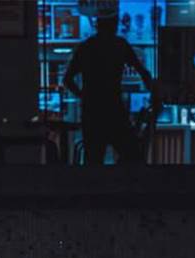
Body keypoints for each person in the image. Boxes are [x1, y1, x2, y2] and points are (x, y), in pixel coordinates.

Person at [62, 12, 153, 165]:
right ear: (114, 25)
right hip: (114, 108)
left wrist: (84, 96)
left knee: (94, 161)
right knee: (132, 156)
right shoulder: (119, 45)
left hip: (92, 111)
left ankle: (97, 188)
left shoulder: (86, 47)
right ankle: (124, 184)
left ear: (97, 25)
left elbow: (67, 79)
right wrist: (154, 91)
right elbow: (142, 71)